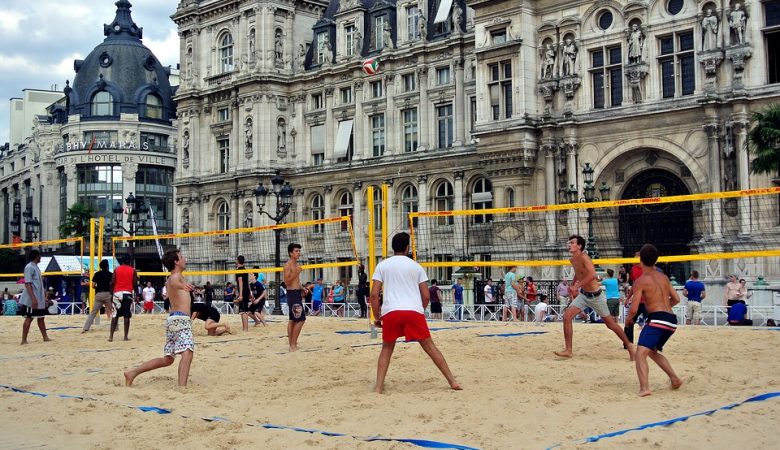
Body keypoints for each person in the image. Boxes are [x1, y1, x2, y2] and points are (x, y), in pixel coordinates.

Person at [370, 232, 461, 393]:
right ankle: (452, 381)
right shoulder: (416, 266)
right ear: (407, 248)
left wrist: (377, 315)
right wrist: (419, 308)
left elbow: (374, 294)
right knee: (430, 347)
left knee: (387, 348)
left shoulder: (382, 265)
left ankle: (378, 387)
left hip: (391, 311)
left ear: (393, 248)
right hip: (413, 311)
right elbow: (426, 295)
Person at [124, 248, 195, 387]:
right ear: (176, 261)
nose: (184, 259)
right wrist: (182, 285)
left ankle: (132, 373)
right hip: (180, 320)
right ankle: (182, 388)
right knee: (187, 352)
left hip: (174, 320)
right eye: (181, 257)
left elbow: (172, 284)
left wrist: (183, 285)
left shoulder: (175, 277)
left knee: (168, 359)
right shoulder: (176, 277)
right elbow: (174, 282)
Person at [555, 235, 634, 359]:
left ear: (579, 246)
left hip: (596, 296)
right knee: (566, 317)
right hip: (584, 295)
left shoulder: (584, 257)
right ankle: (568, 350)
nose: (569, 244)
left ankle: (629, 345)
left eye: (572, 242)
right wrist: (572, 284)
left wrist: (577, 286)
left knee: (611, 324)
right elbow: (578, 272)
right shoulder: (573, 259)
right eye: (569, 242)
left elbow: (592, 274)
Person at [627, 244, 683, 397]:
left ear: (640, 260)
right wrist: (664, 311)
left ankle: (644, 388)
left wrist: (628, 320)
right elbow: (677, 299)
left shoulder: (641, 280)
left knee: (640, 354)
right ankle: (675, 379)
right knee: (651, 351)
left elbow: (633, 308)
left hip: (658, 319)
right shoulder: (663, 277)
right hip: (671, 320)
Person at [19, 249, 51, 345]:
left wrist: (44, 296)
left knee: (41, 317)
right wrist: (33, 298)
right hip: (31, 298)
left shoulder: (36, 267)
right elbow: (27, 284)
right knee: (29, 318)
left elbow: (38, 284)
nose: (40, 257)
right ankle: (23, 340)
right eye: (39, 256)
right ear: (36, 256)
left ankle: (45, 337)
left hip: (39, 298)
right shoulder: (29, 267)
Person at [284, 243, 307, 351]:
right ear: (290, 253)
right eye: (296, 251)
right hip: (292, 294)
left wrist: (302, 288)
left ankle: (292, 344)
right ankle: (292, 345)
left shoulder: (296, 265)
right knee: (301, 319)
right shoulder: (288, 265)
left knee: (293, 319)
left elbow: (295, 281)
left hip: (296, 293)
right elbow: (287, 282)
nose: (298, 253)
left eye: (299, 251)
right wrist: (297, 272)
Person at [110, 255, 138, 342]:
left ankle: (111, 336)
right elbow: (135, 283)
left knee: (115, 315)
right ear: (129, 261)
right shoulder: (133, 270)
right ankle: (125, 336)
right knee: (127, 315)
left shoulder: (116, 269)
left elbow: (113, 282)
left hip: (117, 293)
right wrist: (137, 295)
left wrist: (111, 294)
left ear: (121, 261)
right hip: (127, 293)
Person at [83, 259, 113, 333]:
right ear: (107, 266)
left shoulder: (97, 274)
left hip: (99, 294)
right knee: (112, 312)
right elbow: (112, 285)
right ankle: (115, 328)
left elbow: (93, 285)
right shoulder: (110, 274)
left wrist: (96, 288)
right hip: (108, 294)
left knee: (93, 312)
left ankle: (85, 328)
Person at [624, 251, 648, 345]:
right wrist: (628, 297)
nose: (633, 258)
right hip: (641, 300)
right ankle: (628, 343)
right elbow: (634, 285)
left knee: (629, 322)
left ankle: (628, 343)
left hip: (644, 300)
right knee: (629, 322)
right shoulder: (636, 269)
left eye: (635, 256)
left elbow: (635, 285)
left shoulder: (641, 268)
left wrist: (628, 298)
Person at [235, 255, 251, 331]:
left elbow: (240, 282)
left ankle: (245, 329)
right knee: (242, 310)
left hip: (244, 292)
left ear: (238, 261)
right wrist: (250, 292)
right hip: (246, 291)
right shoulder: (244, 269)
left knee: (244, 311)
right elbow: (247, 282)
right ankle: (244, 328)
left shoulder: (239, 270)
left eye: (236, 260)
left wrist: (240, 294)